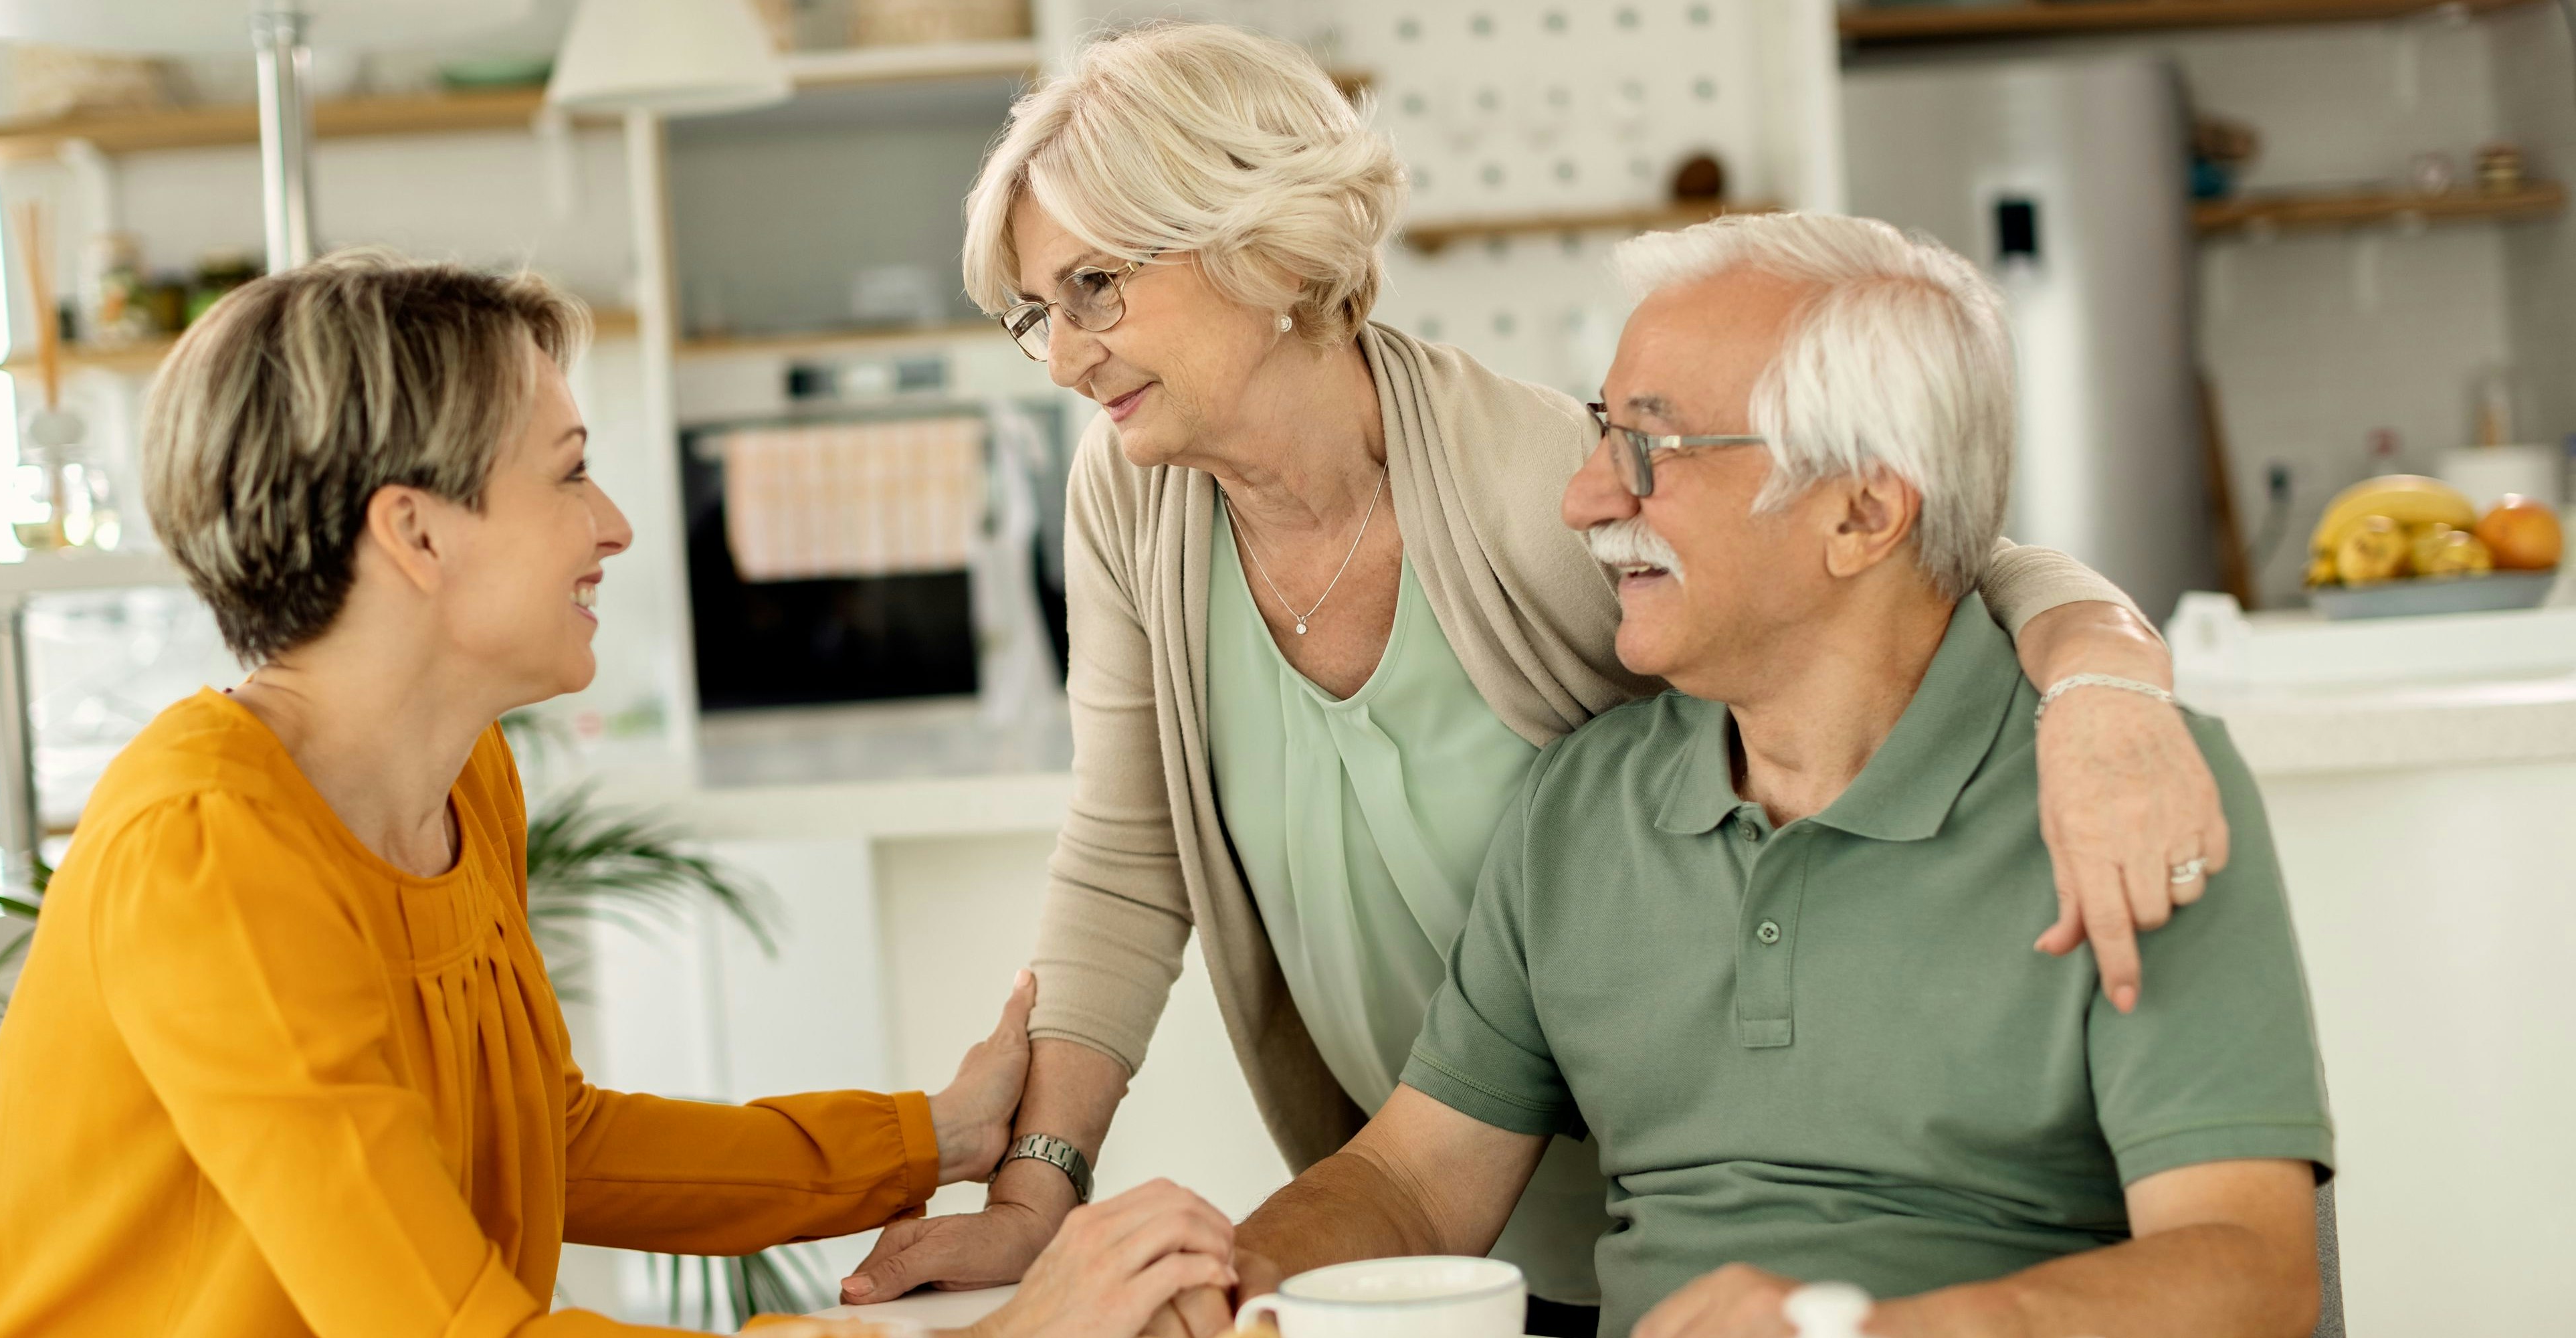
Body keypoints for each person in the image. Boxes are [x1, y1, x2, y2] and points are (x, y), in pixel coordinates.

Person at [845, 23, 2239, 1337]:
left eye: (1096, 284)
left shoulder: (1535, 489)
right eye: (1035, 312)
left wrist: (2108, 681)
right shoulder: (1134, 494)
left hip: (1661, 1211)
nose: (1067, 354)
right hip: (1409, 1205)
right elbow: (1124, 849)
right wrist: (1038, 1196)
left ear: (1257, 245)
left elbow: (1923, 555)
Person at [1215, 213, 2333, 1338]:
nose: (1587, 500)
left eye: (1649, 448)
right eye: (1603, 434)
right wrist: (1218, 1285)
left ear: (1861, 512)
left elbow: (2248, 1273)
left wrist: (1858, 1331)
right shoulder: (1582, 804)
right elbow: (1413, 1185)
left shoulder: (2129, 792)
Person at [0, 253, 1071, 1338]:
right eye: (570, 470)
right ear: (416, 532)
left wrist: (929, 1139)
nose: (615, 525)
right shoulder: (207, 850)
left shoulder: (465, 779)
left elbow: (552, 1143)